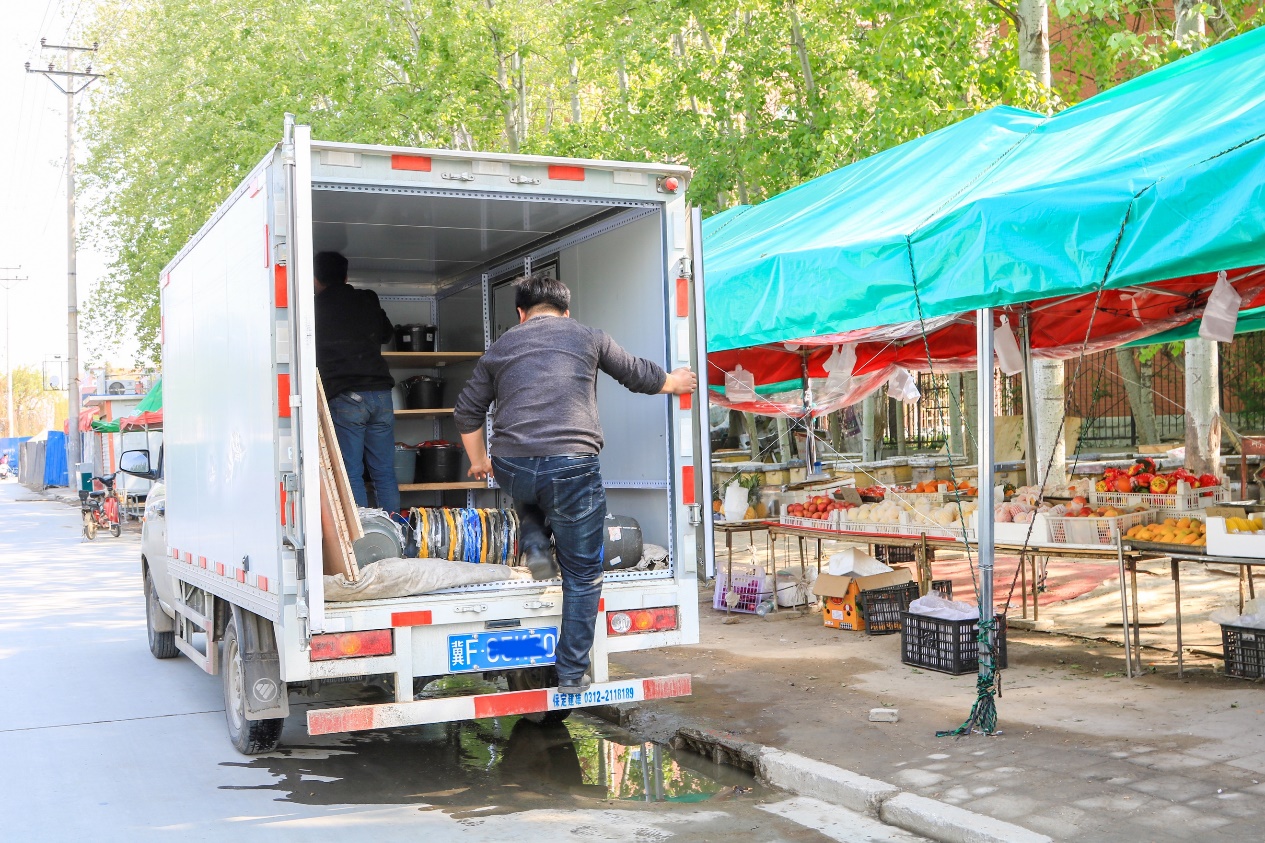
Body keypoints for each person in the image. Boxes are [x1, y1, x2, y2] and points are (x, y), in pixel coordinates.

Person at [454, 272, 697, 694]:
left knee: (530, 490)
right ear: (566, 312)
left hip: (513, 465)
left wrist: (479, 462)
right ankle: (570, 673)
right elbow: (636, 374)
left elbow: (466, 413)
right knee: (583, 574)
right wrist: (673, 382)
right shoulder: (588, 336)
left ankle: (534, 546)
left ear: (520, 314)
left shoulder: (500, 348)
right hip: (570, 466)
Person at [313, 251, 400, 515]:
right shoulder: (367, 299)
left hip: (346, 395)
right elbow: (387, 334)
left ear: (315, 279)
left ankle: (366, 539)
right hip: (382, 395)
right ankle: (394, 534)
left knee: (351, 472)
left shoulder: (313, 307)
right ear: (346, 275)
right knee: (384, 471)